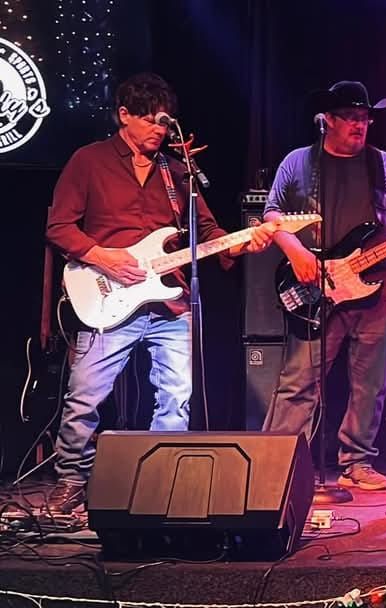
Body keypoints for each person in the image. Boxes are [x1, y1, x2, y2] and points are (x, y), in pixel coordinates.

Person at [44, 72, 276, 513]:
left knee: (175, 396)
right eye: (150, 121)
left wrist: (242, 241)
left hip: (171, 302)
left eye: (165, 124)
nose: (159, 130)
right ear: (124, 115)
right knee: (86, 395)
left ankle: (157, 480)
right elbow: (59, 227)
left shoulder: (176, 171)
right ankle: (72, 478)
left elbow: (205, 230)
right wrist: (102, 256)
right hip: (106, 299)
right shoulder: (89, 161)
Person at [261, 80, 386, 491]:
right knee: (300, 379)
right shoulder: (299, 163)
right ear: (327, 121)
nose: (360, 125)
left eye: (365, 118)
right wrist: (296, 252)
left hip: (380, 287)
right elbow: (272, 215)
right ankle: (278, 461)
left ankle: (358, 460)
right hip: (318, 286)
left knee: (371, 383)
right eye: (350, 117)